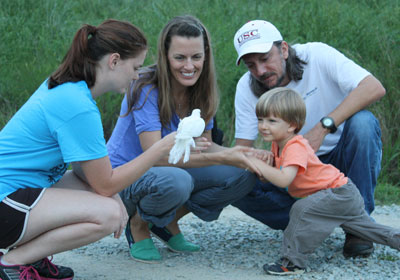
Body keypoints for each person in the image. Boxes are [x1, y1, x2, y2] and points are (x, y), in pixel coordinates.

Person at [0, 19, 177, 280]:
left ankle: (32, 259)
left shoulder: (70, 90)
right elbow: (105, 184)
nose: (136, 76)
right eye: (135, 67)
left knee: (111, 204)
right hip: (7, 200)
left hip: (16, 193)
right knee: (106, 216)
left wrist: (113, 197)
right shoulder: (77, 104)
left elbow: (90, 174)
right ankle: (13, 263)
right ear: (114, 61)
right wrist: (159, 148)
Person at [107, 15, 258, 264]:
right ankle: (138, 225)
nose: (189, 66)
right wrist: (223, 156)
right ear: (165, 57)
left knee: (243, 173)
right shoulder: (144, 86)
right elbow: (156, 156)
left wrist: (243, 156)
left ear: (205, 56)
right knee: (177, 180)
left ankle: (166, 221)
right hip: (125, 176)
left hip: (167, 173)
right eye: (180, 57)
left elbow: (205, 147)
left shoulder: (201, 89)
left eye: (196, 57)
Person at [232, 20, 386, 258]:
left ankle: (359, 225)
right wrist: (260, 159)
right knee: (235, 178)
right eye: (251, 65)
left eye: (265, 59)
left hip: (339, 164)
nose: (260, 71)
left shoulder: (317, 55)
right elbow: (242, 149)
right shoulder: (246, 87)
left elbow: (373, 87)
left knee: (364, 123)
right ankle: (312, 222)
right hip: (294, 174)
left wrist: (323, 127)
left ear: (283, 49)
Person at [249, 87, 399, 276]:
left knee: (301, 211)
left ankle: (292, 263)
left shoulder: (295, 146)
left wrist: (258, 165)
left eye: (271, 120)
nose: (263, 125)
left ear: (291, 125)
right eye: (260, 119)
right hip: (343, 194)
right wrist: (265, 170)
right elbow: (283, 173)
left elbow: (284, 179)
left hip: (337, 194)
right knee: (367, 229)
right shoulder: (278, 144)